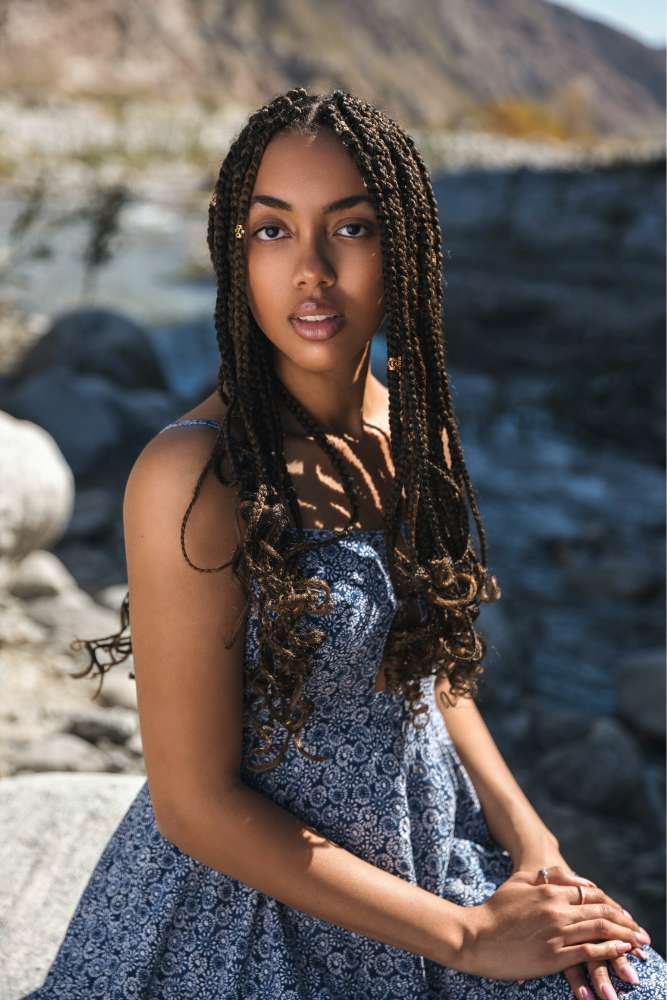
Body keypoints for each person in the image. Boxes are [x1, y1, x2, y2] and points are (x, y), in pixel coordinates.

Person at [23, 88, 664, 1000]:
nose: (311, 271)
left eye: (351, 229)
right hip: (253, 903)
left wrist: (532, 841)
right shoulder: (194, 475)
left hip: (423, 852)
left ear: (402, 246)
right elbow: (193, 806)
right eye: (272, 231)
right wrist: (469, 936)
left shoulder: (413, 428)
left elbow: (431, 669)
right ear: (231, 252)